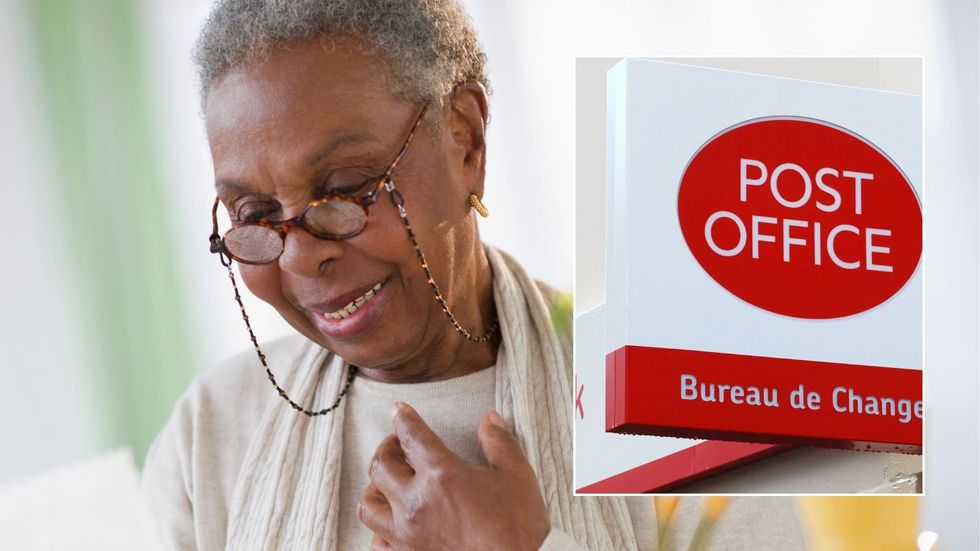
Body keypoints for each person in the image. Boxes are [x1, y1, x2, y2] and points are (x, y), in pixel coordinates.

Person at [140, 1, 806, 549]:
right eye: (254, 213)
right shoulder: (212, 432)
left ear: (465, 140)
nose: (299, 256)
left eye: (346, 188)